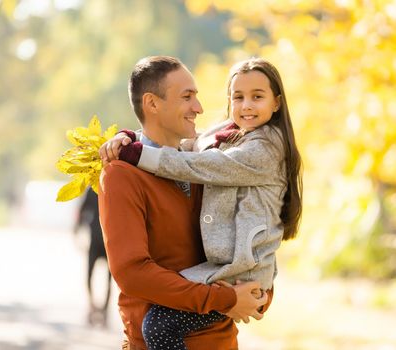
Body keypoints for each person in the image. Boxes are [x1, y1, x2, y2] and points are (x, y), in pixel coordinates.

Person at [101, 57, 303, 350]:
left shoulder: (212, 165)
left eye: (257, 97)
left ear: (276, 103)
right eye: (187, 97)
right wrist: (130, 139)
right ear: (152, 104)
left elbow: (250, 242)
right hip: (154, 339)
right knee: (158, 325)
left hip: (222, 341)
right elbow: (133, 273)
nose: (199, 108)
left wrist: (256, 294)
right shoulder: (123, 173)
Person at [73, 188, 112, 326]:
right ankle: (93, 307)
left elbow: (81, 212)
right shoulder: (94, 189)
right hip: (98, 240)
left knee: (107, 279)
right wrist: (76, 230)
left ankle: (103, 311)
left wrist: (76, 229)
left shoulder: (112, 186)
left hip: (108, 242)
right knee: (91, 276)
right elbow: (82, 211)